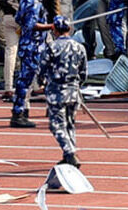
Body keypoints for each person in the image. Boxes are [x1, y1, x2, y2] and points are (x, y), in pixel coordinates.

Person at [10, 0, 56, 127]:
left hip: (32, 45)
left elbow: (19, 18)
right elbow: (31, 25)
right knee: (25, 81)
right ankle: (18, 114)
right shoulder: (34, 2)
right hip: (33, 46)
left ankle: (22, 111)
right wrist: (52, 26)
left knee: (36, 78)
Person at [43, 19, 87, 167]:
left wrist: (43, 81)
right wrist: (77, 85)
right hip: (73, 91)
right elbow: (83, 72)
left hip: (56, 91)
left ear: (54, 30)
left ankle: (70, 152)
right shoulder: (79, 47)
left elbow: (42, 68)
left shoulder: (51, 47)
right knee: (69, 124)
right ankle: (68, 154)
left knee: (56, 125)